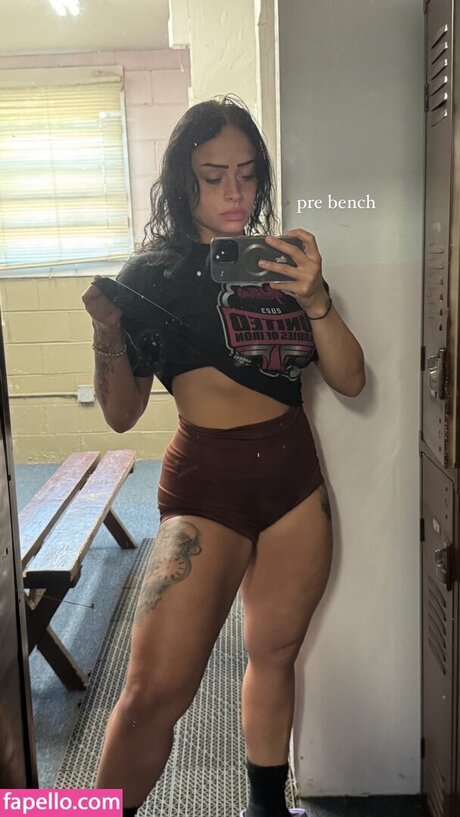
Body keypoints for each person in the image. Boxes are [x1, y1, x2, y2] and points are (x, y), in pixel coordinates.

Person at [82, 95, 365, 817]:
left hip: (296, 483)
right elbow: (120, 414)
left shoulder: (284, 263)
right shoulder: (151, 274)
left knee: (273, 656)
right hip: (207, 488)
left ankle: (266, 809)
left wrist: (317, 298)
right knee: (152, 694)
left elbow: (351, 379)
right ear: (185, 182)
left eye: (246, 174)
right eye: (214, 177)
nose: (234, 192)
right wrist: (107, 330)